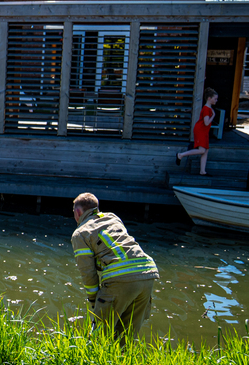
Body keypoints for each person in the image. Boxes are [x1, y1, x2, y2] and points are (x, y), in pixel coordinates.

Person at [70, 192, 159, 342]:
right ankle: (125, 363)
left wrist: (94, 301)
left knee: (99, 336)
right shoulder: (113, 217)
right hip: (147, 272)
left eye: (73, 212)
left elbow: (88, 273)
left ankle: (96, 363)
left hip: (120, 278)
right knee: (127, 336)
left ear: (78, 212)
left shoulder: (80, 234)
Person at [176, 88, 218, 176]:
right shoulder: (206, 109)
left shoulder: (208, 108)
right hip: (201, 130)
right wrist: (213, 116)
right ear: (209, 98)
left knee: (205, 150)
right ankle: (181, 155)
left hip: (204, 131)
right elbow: (206, 122)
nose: (216, 100)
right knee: (202, 150)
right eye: (215, 99)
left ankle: (202, 171)